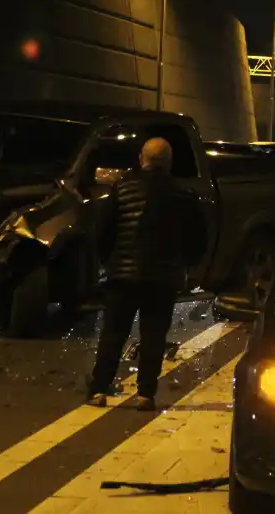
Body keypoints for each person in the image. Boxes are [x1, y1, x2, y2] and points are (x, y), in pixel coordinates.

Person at [86, 137, 206, 411]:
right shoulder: (183, 194)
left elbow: (104, 230)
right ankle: (145, 394)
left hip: (123, 275)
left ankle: (99, 389)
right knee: (153, 335)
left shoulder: (123, 188)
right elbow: (198, 237)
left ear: (142, 159)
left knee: (113, 333)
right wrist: (186, 264)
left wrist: (109, 261)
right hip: (163, 277)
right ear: (169, 162)